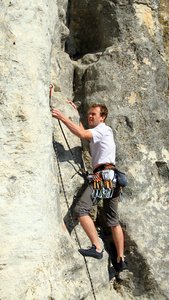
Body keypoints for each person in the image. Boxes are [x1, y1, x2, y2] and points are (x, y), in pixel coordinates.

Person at [52, 102, 127, 271]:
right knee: (113, 221)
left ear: (103, 117)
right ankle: (121, 258)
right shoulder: (101, 131)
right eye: (89, 114)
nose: (90, 116)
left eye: (94, 114)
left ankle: (97, 247)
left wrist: (62, 116)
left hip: (103, 178)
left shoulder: (103, 129)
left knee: (81, 210)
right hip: (112, 179)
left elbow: (81, 133)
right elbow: (84, 132)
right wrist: (75, 113)